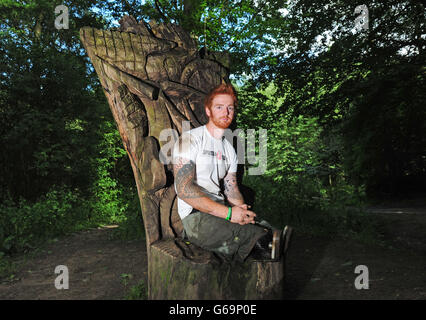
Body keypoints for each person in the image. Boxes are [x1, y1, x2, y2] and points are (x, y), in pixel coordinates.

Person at [172, 83, 290, 262]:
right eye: (219, 107)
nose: (225, 112)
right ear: (209, 111)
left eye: (230, 108)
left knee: (269, 232)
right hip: (196, 216)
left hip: (222, 209)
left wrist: (241, 212)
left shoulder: (229, 149)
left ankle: (269, 245)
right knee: (260, 241)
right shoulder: (190, 139)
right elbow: (184, 189)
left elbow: (231, 189)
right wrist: (228, 214)